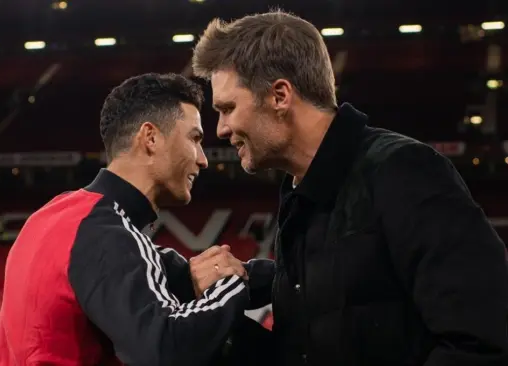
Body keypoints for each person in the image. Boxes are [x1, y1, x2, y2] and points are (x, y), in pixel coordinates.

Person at [191, 10, 508, 366]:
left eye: (228, 108)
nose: (220, 128)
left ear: (280, 96)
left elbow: (481, 340)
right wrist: (221, 322)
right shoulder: (298, 194)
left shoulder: (403, 170)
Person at [0, 73, 252, 366]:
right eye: (195, 138)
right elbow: (167, 349)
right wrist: (231, 285)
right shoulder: (107, 234)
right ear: (150, 138)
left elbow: (162, 271)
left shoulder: (58, 213)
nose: (202, 159)